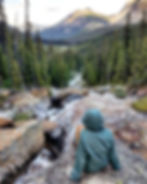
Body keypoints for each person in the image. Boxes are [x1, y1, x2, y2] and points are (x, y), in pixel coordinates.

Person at [70, 109, 121, 182]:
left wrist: (75, 175)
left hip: (89, 168)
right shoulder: (109, 133)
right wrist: (116, 166)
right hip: (103, 164)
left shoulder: (84, 135)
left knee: (78, 149)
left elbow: (80, 158)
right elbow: (112, 154)